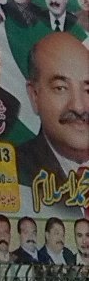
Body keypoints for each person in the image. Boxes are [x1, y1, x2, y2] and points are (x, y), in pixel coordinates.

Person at [15, 32, 89, 186]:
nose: (79, 107)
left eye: (88, 90)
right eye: (61, 88)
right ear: (34, 95)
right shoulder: (12, 172)